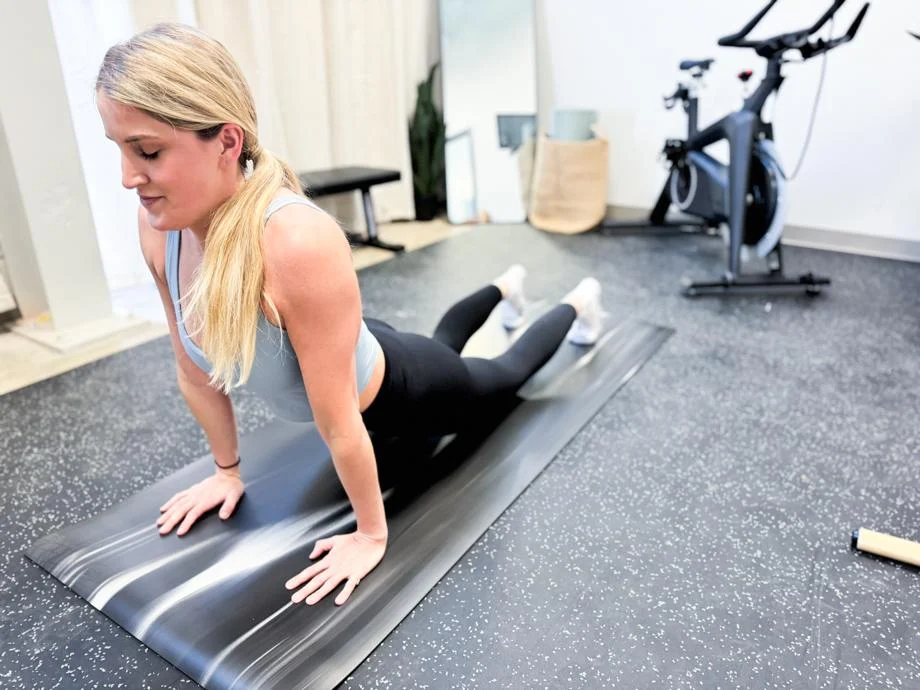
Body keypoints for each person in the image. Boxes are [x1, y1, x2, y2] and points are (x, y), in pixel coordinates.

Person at [95, 23, 604, 607]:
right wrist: (226, 471)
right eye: (120, 149)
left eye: (149, 151)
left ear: (227, 142)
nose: (128, 176)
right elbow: (192, 368)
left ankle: (578, 301)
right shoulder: (161, 230)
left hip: (405, 391)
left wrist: (370, 534)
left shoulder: (294, 242)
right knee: (441, 335)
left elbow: (338, 422)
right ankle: (505, 287)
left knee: (502, 377)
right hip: (346, 350)